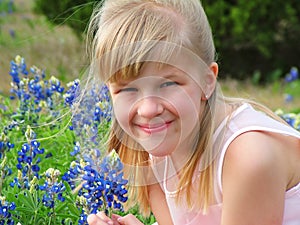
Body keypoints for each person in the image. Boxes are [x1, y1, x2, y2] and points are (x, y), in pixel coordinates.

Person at [85, 0, 300, 224]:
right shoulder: (156, 150)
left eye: (168, 84)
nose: (148, 109)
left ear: (208, 81)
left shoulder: (249, 157)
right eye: (127, 89)